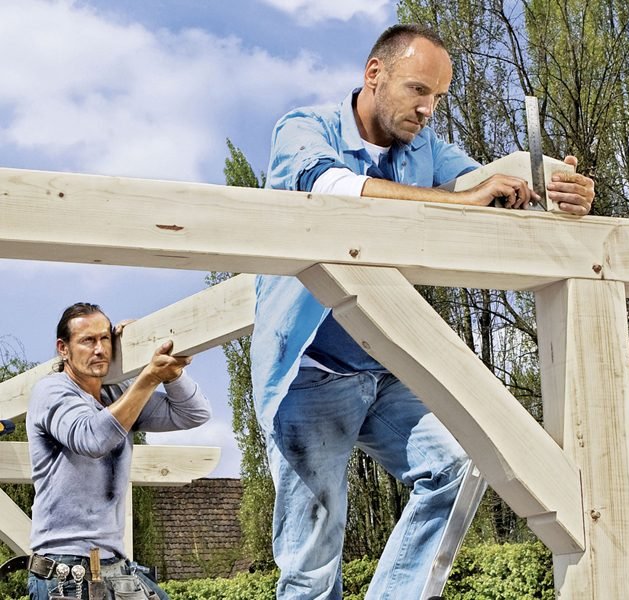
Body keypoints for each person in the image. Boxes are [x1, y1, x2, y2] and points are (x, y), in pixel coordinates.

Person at [250, 24, 595, 599]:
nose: (427, 109)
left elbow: (490, 186)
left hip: (385, 368)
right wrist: (456, 199)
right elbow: (329, 187)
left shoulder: (424, 151)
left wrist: (556, 190)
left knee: (457, 466)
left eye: (437, 97)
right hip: (311, 374)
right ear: (374, 74)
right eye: (417, 90)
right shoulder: (306, 128)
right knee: (311, 568)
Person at [26, 303, 212, 600]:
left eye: (105, 339)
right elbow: (92, 439)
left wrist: (172, 374)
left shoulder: (117, 395)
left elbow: (194, 413)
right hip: (65, 570)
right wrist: (148, 377)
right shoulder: (51, 391)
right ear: (63, 349)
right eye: (87, 341)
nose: (99, 349)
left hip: (115, 566)